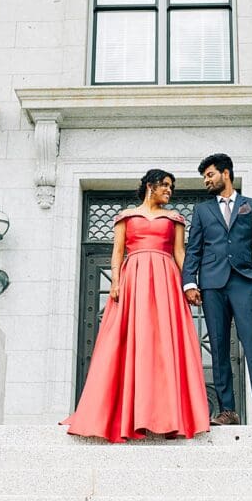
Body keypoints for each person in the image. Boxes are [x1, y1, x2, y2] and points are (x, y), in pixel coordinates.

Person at [62, 169, 210, 442]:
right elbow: (118, 252)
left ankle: (171, 416)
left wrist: (190, 283)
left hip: (166, 281)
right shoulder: (125, 217)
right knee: (130, 342)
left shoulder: (175, 219)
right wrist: (116, 282)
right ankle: (126, 413)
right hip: (134, 280)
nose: (170, 191)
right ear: (150, 186)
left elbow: (180, 254)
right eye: (165, 185)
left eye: (171, 187)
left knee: (165, 344)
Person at [181, 153, 252, 427]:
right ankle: (228, 411)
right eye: (204, 177)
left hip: (244, 281)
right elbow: (195, 248)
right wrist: (190, 281)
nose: (206, 181)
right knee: (219, 347)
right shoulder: (202, 211)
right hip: (212, 285)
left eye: (210, 175)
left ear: (226, 173)